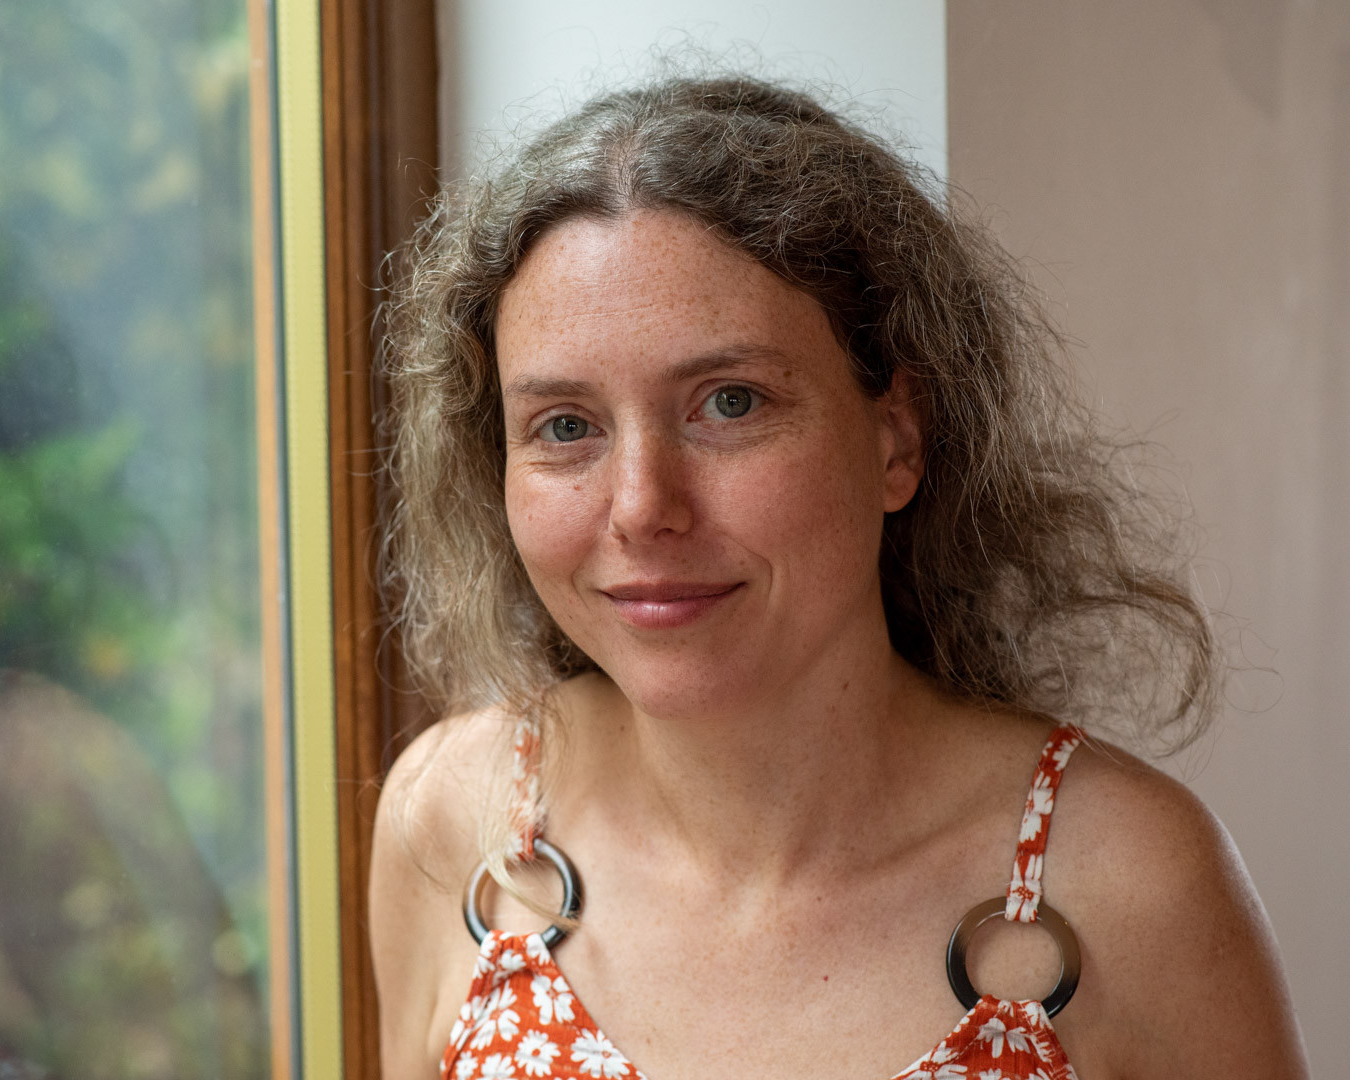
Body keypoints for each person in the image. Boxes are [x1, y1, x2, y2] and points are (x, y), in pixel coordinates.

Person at [368, 75, 1308, 1080]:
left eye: (728, 403)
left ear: (895, 439)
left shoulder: (1127, 883)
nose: (641, 505)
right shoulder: (455, 819)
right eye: (564, 427)